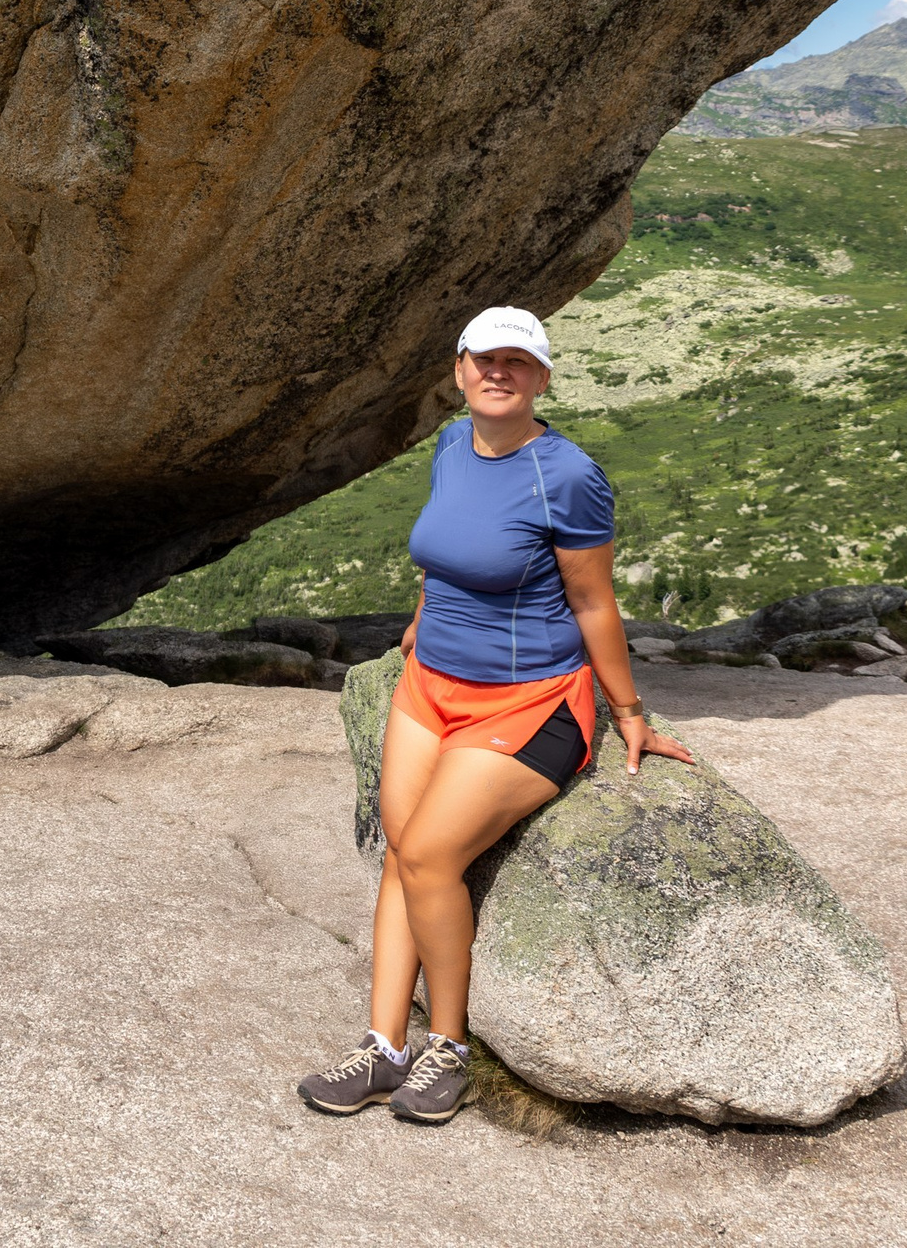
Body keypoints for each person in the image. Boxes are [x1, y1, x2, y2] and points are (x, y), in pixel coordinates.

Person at [294, 305, 695, 1124]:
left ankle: (448, 1046)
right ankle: (383, 1045)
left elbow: (593, 600)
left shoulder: (569, 473)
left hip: (529, 698)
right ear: (459, 368)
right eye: (485, 358)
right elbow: (446, 549)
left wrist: (627, 710)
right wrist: (421, 618)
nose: (498, 372)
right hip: (430, 685)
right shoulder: (450, 444)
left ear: (542, 377)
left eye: (518, 361)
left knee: (432, 854)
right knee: (402, 851)